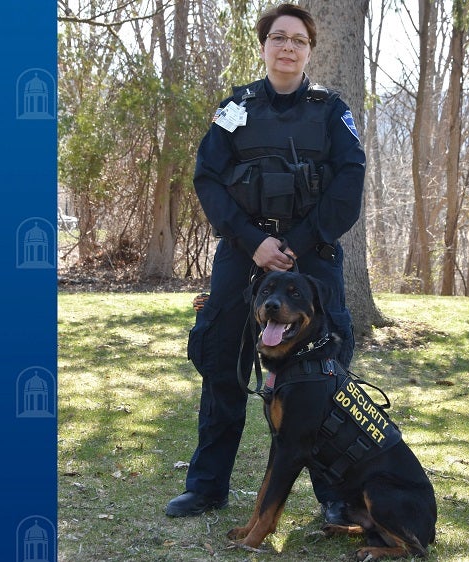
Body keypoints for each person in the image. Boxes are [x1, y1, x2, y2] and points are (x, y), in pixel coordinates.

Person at [166, 3, 366, 525]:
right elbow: (207, 177)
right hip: (242, 254)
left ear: (309, 50)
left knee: (326, 378)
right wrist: (253, 242)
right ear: (263, 46)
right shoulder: (236, 107)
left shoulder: (330, 110)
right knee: (223, 365)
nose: (288, 48)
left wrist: (295, 244)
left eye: (298, 40)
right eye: (278, 38)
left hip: (311, 259)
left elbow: (349, 185)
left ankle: (337, 501)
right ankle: (207, 487)